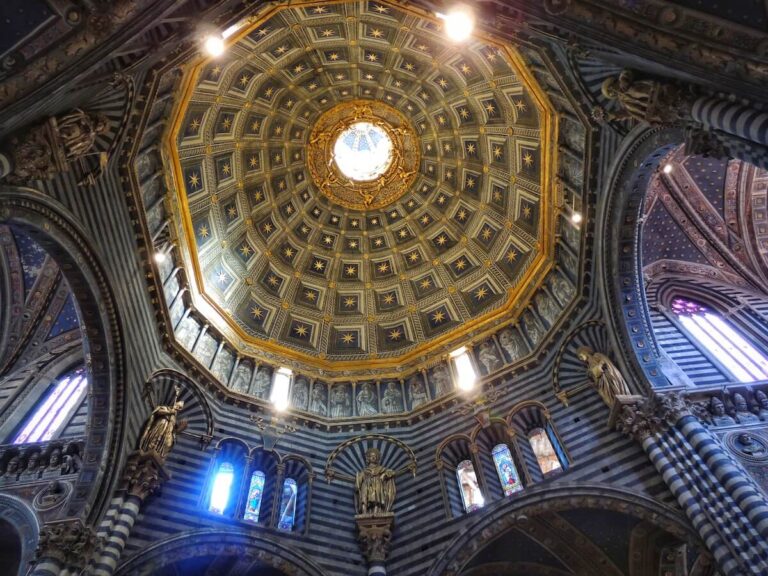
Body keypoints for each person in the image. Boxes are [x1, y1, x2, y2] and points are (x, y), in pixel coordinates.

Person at [138, 387, 185, 459]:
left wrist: (179, 429)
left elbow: (174, 431)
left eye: (180, 408)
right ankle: (148, 449)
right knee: (155, 438)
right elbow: (158, 411)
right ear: (175, 404)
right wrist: (169, 412)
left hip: (167, 433)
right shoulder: (166, 408)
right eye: (178, 406)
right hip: (161, 425)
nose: (178, 408)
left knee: (168, 444)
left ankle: (159, 453)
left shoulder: (174, 418)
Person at [355, 448, 396, 515]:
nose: (373, 457)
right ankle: (364, 513)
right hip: (366, 485)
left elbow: (392, 472)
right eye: (371, 456)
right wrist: (357, 484)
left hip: (377, 485)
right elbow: (359, 481)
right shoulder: (365, 471)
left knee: (377, 498)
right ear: (368, 458)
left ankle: (377, 512)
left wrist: (384, 474)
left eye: (375, 456)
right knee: (364, 498)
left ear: (377, 458)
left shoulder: (381, 469)